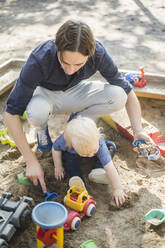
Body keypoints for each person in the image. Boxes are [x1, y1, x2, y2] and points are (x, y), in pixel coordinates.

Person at [4, 20, 151, 193]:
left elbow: (128, 92)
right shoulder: (40, 58)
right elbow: (11, 114)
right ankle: (41, 131)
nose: (70, 70)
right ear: (57, 48)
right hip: (46, 95)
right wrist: (30, 161)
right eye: (65, 62)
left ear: (90, 54)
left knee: (118, 96)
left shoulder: (99, 53)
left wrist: (138, 130)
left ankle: (77, 123)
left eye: (78, 64)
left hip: (76, 90)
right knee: (36, 113)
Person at [52, 116, 126, 207]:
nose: (90, 155)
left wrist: (118, 188)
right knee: (70, 161)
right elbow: (55, 148)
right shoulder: (65, 141)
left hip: (94, 148)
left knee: (111, 147)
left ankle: (98, 169)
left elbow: (110, 166)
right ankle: (77, 179)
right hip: (73, 154)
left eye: (93, 151)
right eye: (86, 154)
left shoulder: (99, 142)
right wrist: (58, 166)